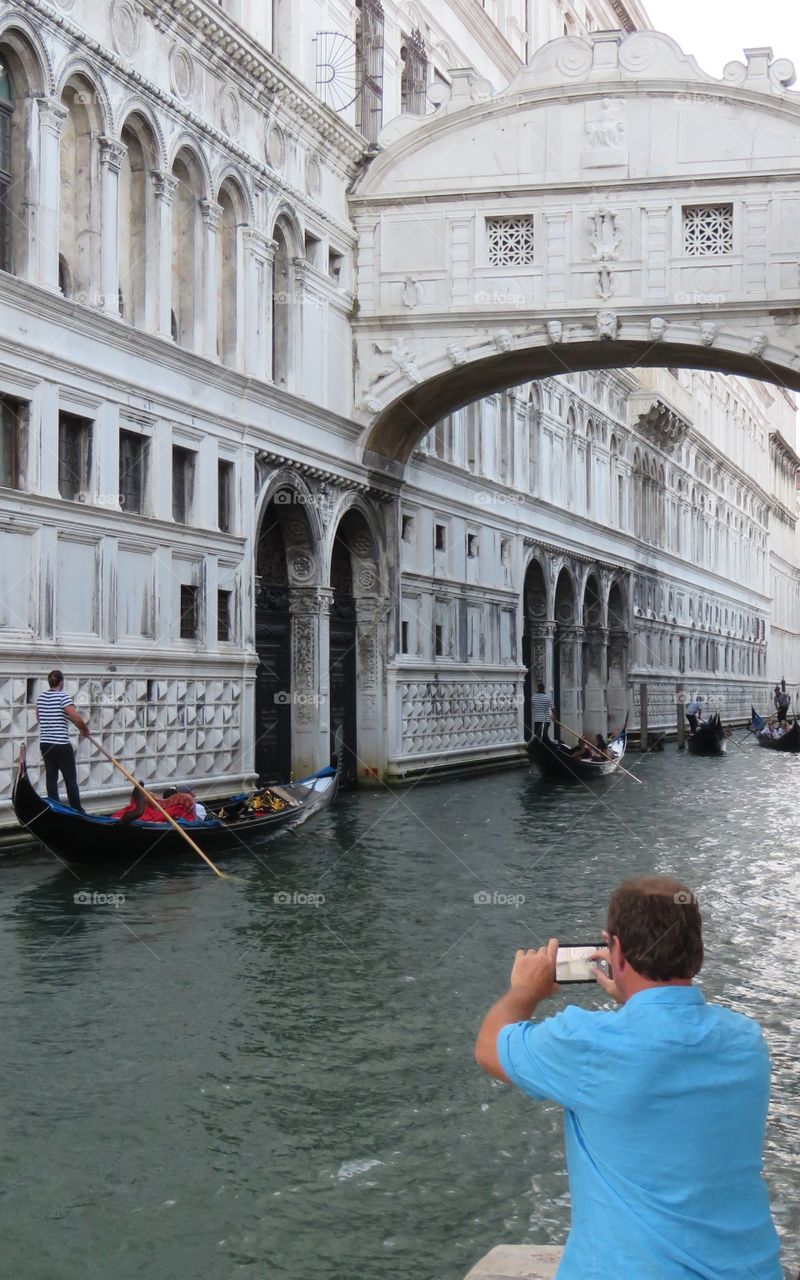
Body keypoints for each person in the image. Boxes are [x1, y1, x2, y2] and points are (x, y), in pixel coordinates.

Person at [474, 875, 782, 1279]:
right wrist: (637, 999)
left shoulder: (587, 1043)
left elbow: (489, 1048)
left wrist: (524, 991)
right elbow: (664, 1046)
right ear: (697, 952)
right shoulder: (746, 1042)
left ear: (614, 950)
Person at [35, 669, 89, 812]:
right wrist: (84, 729)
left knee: (51, 777)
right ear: (62, 682)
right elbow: (76, 718)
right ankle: (77, 809)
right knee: (70, 779)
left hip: (45, 744)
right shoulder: (63, 697)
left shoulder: (40, 698)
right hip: (61, 745)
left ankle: (54, 807)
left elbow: (39, 718)